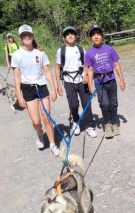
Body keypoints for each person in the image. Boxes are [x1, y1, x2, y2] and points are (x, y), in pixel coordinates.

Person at [11, 24, 59, 156]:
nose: (27, 37)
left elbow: (47, 72)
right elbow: (16, 77)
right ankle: (39, 135)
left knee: (47, 118)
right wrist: (20, 96)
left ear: (32, 36)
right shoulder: (16, 55)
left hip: (42, 87)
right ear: (20, 38)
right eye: (24, 35)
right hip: (28, 89)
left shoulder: (40, 53)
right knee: (36, 121)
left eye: (29, 34)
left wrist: (53, 89)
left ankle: (53, 144)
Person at [55, 26, 97, 138]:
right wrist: (58, 84)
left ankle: (89, 126)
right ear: (64, 38)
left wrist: (86, 76)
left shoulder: (80, 49)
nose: (70, 35)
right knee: (73, 105)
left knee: (86, 103)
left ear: (76, 36)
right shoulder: (61, 51)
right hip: (68, 80)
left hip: (81, 79)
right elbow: (58, 67)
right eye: (67, 34)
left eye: (72, 33)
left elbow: (86, 65)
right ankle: (76, 121)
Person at [85, 24, 125, 139]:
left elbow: (116, 64)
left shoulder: (109, 49)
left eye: (98, 34)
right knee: (104, 104)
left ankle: (115, 123)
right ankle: (107, 124)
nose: (96, 37)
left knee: (113, 103)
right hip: (99, 82)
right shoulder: (89, 53)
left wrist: (122, 80)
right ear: (90, 38)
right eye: (93, 35)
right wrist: (91, 86)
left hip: (111, 80)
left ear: (102, 36)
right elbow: (90, 69)